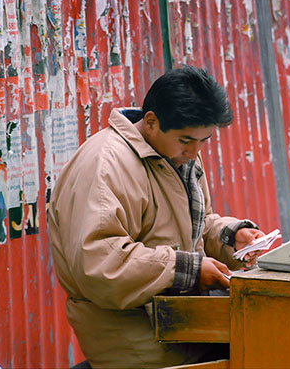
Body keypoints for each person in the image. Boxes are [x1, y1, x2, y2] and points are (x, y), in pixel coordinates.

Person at [48, 66, 266, 368]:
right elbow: (100, 265)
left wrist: (232, 237)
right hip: (136, 342)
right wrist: (188, 270)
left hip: (184, 327)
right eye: (186, 141)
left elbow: (194, 229)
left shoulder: (175, 152)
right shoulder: (105, 166)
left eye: (204, 141)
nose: (195, 152)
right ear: (151, 122)